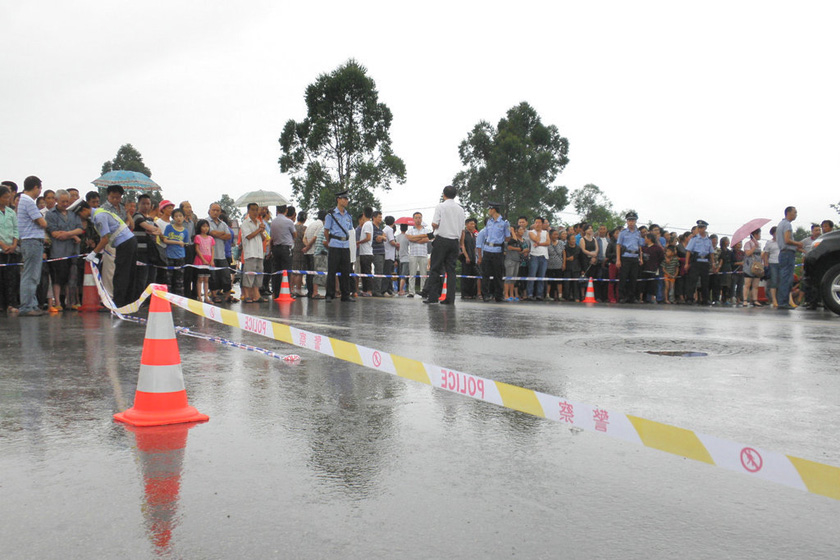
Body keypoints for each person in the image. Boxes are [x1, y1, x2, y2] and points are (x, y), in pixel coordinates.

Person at [88, 202, 137, 307]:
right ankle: (127, 302)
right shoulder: (101, 212)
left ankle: (119, 304)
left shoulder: (99, 216)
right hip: (128, 241)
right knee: (127, 273)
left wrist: (93, 252)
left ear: (83, 210)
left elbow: (105, 239)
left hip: (123, 243)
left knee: (121, 274)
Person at [424, 185, 465, 304]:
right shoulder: (460, 209)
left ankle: (432, 297)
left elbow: (435, 224)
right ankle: (450, 298)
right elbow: (462, 229)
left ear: (444, 194)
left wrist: (436, 227)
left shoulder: (440, 206)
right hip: (454, 242)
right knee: (451, 270)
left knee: (435, 268)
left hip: (442, 240)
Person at [45, 190, 84, 310]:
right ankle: (57, 302)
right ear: (56, 201)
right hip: (58, 251)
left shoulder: (73, 214)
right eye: (63, 201)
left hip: (72, 251)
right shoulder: (51, 214)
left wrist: (68, 234)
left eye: (67, 201)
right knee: (57, 279)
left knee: (70, 279)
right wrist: (72, 235)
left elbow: (80, 229)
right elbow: (55, 233)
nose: (66, 204)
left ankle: (70, 302)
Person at [16, 176, 47, 316]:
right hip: (32, 240)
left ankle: (32, 304)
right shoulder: (28, 201)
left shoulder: (23, 200)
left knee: (33, 275)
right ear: (35, 187)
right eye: (40, 188)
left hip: (31, 241)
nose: (40, 191)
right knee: (30, 275)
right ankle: (27, 306)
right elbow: (42, 222)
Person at [323, 191, 354, 302]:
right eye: (344, 199)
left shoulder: (348, 216)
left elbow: (350, 229)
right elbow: (326, 230)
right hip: (335, 244)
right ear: (338, 199)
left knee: (346, 271)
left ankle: (345, 294)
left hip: (345, 245)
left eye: (347, 199)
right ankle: (329, 294)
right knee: (332, 270)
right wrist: (329, 241)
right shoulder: (330, 215)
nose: (346, 201)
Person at [476, 202, 510, 302]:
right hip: (487, 250)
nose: (489, 211)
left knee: (498, 274)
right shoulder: (489, 222)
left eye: (490, 209)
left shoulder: (504, 222)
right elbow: (486, 236)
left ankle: (498, 295)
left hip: (497, 250)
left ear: (493, 210)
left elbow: (507, 237)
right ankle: (485, 294)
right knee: (485, 274)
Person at [775, 206, 804, 310]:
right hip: (787, 254)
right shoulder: (787, 224)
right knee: (787, 279)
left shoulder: (780, 224)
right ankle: (783, 302)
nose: (796, 214)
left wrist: (798, 248)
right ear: (788, 213)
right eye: (795, 212)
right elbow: (787, 240)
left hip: (784, 253)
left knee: (784, 278)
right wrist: (798, 243)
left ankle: (783, 301)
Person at [239, 203, 268, 303]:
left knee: (259, 274)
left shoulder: (259, 222)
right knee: (249, 274)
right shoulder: (245, 223)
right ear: (248, 211)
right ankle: (246, 295)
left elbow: (264, 238)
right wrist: (258, 229)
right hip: (250, 252)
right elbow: (248, 236)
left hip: (259, 252)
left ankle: (256, 294)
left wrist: (261, 230)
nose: (255, 212)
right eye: (253, 210)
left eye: (256, 210)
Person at [684, 220, 715, 305]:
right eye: (699, 227)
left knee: (705, 282)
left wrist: (713, 264)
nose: (700, 229)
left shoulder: (708, 240)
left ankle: (705, 299)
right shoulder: (694, 239)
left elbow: (711, 252)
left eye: (702, 227)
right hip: (696, 262)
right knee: (692, 281)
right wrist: (686, 263)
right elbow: (688, 251)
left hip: (705, 262)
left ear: (705, 228)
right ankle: (690, 298)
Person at [207, 203, 233, 303]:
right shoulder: (206, 222)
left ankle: (228, 295)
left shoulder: (223, 224)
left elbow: (229, 236)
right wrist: (220, 234)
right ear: (209, 210)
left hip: (222, 254)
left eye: (218, 210)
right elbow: (211, 233)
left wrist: (217, 234)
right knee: (213, 277)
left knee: (226, 276)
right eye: (213, 210)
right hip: (210, 255)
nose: (215, 212)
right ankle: (214, 295)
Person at [0, 185, 20, 314]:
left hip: (12, 250)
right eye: (6, 197)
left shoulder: (11, 212)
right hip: (1, 249)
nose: (8, 200)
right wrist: (2, 245)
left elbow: (16, 230)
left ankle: (11, 304)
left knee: (12, 278)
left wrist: (14, 244)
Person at [616, 212, 644, 303]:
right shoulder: (623, 233)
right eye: (629, 220)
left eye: (633, 220)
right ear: (627, 222)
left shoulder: (638, 233)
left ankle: (631, 296)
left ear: (635, 221)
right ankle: (622, 296)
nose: (631, 222)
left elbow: (640, 246)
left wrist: (641, 258)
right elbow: (618, 246)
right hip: (625, 256)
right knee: (623, 277)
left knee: (633, 278)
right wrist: (618, 259)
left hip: (635, 257)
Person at [269, 204, 295, 298]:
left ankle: (275, 292)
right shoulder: (289, 222)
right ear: (286, 210)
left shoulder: (273, 222)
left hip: (275, 248)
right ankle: (285, 292)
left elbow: (272, 236)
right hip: (286, 249)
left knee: (276, 271)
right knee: (286, 271)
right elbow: (294, 234)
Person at [163, 208, 188, 295]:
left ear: (184, 217)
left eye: (180, 216)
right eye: (176, 216)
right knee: (168, 278)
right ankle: (168, 297)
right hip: (169, 256)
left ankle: (179, 297)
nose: (178, 218)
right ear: (173, 218)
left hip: (180, 256)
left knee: (179, 279)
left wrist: (181, 244)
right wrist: (177, 242)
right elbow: (165, 240)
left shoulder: (185, 231)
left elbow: (185, 243)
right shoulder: (169, 227)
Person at [405, 212, 431, 298]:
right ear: (413, 219)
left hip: (423, 254)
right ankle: (411, 292)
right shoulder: (410, 230)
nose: (418, 219)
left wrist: (416, 238)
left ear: (422, 219)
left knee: (423, 274)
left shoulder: (427, 230)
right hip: (413, 254)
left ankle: (423, 291)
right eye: (416, 218)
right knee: (412, 274)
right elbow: (410, 238)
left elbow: (429, 238)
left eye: (419, 218)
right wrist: (421, 237)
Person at [526, 217, 549, 301]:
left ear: (542, 224)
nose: (537, 224)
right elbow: (536, 239)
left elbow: (548, 243)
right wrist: (538, 232)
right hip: (534, 255)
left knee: (541, 276)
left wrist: (539, 244)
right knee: (532, 275)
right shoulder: (531, 232)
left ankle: (539, 294)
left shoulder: (546, 232)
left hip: (544, 256)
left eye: (539, 223)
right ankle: (530, 294)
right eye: (536, 222)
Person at [193, 219, 215, 302]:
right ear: (199, 227)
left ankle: (206, 296)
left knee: (206, 279)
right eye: (203, 226)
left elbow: (212, 249)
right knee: (200, 279)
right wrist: (203, 259)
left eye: (207, 226)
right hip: (200, 259)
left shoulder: (210, 238)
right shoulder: (198, 237)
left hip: (209, 259)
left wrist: (212, 260)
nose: (205, 228)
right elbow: (197, 249)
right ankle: (199, 296)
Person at [641, 233, 665, 303]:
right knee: (643, 284)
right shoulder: (643, 248)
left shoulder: (657, 248)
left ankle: (652, 298)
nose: (644, 240)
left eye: (645, 238)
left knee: (653, 284)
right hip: (644, 269)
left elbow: (661, 258)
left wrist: (656, 264)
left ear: (649, 239)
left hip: (653, 269)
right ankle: (643, 298)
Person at [741, 229, 763, 307]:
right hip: (749, 266)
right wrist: (754, 247)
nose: (760, 235)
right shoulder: (748, 243)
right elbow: (747, 253)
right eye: (759, 234)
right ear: (755, 234)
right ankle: (745, 300)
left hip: (757, 266)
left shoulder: (759, 244)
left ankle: (755, 300)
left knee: (755, 284)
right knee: (747, 284)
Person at [459, 217, 478, 299]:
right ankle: (465, 293)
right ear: (466, 225)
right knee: (466, 276)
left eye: (474, 224)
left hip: (473, 257)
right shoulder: (464, 233)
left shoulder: (473, 234)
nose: (473, 225)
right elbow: (462, 245)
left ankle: (472, 293)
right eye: (471, 224)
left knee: (473, 276)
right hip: (466, 257)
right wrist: (466, 256)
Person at [357, 208, 374, 297]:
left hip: (367, 252)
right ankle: (364, 290)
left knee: (367, 272)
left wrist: (358, 242)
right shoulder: (368, 224)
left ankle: (369, 290)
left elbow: (368, 237)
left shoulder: (367, 224)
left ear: (363, 214)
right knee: (363, 272)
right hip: (364, 252)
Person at [763, 226, 780, 308]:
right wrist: (766, 263)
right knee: (773, 281)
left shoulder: (782, 241)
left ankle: (780, 299)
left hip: (782, 263)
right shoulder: (769, 242)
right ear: (773, 233)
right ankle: (773, 300)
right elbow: (766, 254)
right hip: (773, 263)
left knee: (781, 281)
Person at [370, 211, 387, 297]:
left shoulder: (380, 228)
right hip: (376, 252)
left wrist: (383, 237)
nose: (381, 219)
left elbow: (384, 237)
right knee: (378, 272)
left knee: (380, 272)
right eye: (379, 217)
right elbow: (378, 239)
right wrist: (383, 237)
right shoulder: (372, 227)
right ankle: (376, 291)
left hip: (381, 252)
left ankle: (377, 290)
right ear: (374, 217)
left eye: (381, 217)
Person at [292, 210, 307, 297]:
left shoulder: (293, 227)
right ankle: (298, 289)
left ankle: (291, 288)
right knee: (299, 271)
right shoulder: (304, 228)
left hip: (293, 249)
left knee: (293, 271)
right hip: (301, 250)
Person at [546, 229, 564, 301]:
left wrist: (564, 263)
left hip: (559, 264)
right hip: (549, 265)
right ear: (550, 235)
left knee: (559, 281)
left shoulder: (560, 243)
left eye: (557, 234)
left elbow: (564, 253)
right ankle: (547, 295)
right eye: (554, 234)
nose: (556, 236)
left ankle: (560, 295)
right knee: (549, 281)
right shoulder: (547, 243)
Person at [381, 215, 397, 296]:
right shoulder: (390, 229)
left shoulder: (384, 229)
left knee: (388, 273)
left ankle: (389, 289)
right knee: (387, 273)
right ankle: (384, 290)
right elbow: (391, 241)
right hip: (389, 255)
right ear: (393, 223)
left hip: (386, 254)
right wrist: (397, 244)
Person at [396, 223, 410, 296]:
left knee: (399, 275)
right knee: (404, 275)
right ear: (407, 229)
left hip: (398, 258)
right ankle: (401, 290)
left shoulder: (397, 237)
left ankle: (399, 289)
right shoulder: (407, 237)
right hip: (406, 258)